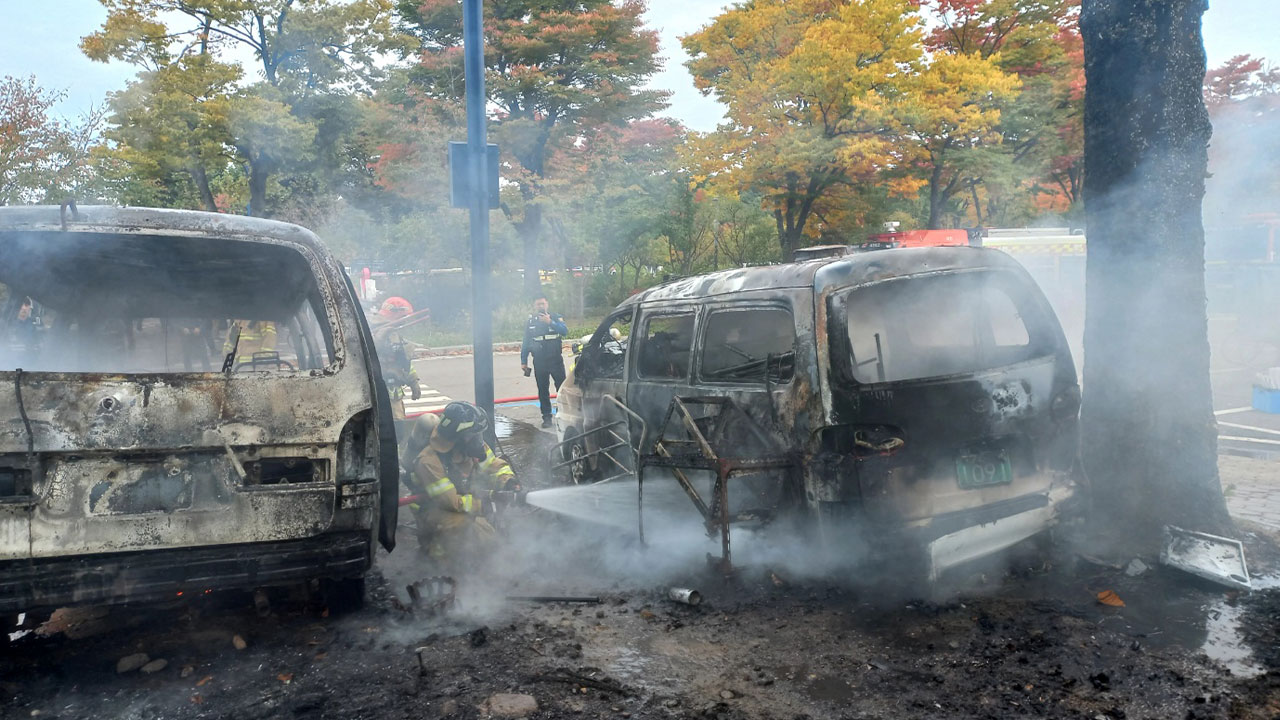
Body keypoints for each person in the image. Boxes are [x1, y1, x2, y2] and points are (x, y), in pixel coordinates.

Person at [401, 402, 517, 573]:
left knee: (490, 542)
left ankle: (470, 552)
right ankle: (435, 556)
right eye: (472, 435)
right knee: (462, 525)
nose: (478, 440)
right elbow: (451, 502)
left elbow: (493, 465)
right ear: (457, 437)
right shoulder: (429, 461)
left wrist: (508, 481)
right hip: (432, 509)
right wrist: (485, 503)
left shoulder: (469, 446)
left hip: (463, 501)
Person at [369, 298, 422, 422]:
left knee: (398, 427)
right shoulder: (373, 332)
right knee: (392, 431)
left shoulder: (393, 332)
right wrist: (379, 341)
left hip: (394, 395)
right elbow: (366, 356)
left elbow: (403, 362)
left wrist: (414, 382)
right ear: (395, 314)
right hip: (378, 394)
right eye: (403, 316)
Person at [520, 294, 568, 428]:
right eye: (538, 304)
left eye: (543, 303)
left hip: (556, 360)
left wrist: (550, 322)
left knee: (561, 388)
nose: (541, 306)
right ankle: (546, 417)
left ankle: (562, 413)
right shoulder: (531, 322)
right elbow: (526, 342)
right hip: (540, 361)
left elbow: (565, 331)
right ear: (535, 306)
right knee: (543, 390)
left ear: (547, 304)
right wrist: (523, 361)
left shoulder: (555, 317)